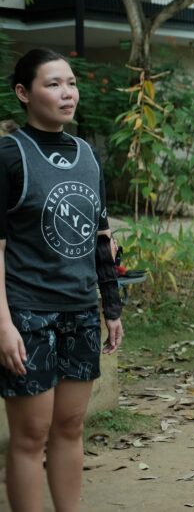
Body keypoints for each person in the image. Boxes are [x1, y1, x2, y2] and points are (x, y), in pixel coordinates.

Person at [0, 48, 124, 511]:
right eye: (52, 84)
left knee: (70, 427)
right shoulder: (10, 155)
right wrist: (4, 323)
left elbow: (100, 236)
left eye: (70, 83)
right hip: (28, 312)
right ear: (23, 94)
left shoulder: (87, 154)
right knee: (31, 435)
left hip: (79, 310)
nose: (66, 93)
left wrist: (110, 307)